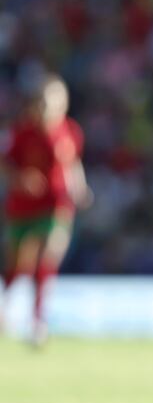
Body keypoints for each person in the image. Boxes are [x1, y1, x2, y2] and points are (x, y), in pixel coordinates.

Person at [0, 74, 92, 347]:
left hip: (57, 205)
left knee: (47, 258)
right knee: (19, 265)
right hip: (22, 208)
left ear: (62, 104)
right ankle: (5, 306)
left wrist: (80, 187)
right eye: (41, 101)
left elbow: (72, 164)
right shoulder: (21, 132)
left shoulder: (70, 131)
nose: (45, 107)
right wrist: (21, 179)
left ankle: (38, 322)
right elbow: (5, 165)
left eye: (51, 101)